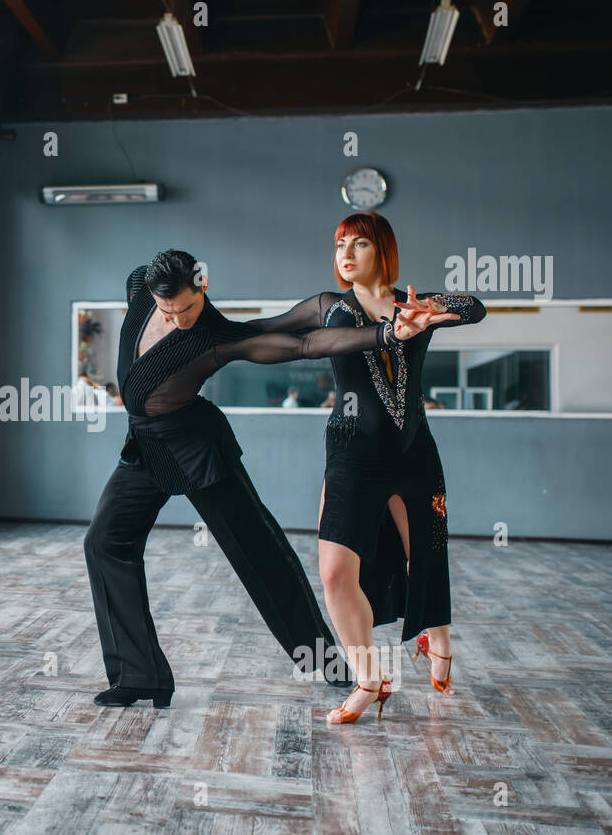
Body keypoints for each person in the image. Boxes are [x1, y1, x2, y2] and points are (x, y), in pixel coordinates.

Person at [83, 249, 460, 707]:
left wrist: (383, 334)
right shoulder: (143, 289)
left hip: (197, 449)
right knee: (104, 542)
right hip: (143, 448)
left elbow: (304, 344)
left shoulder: (215, 337)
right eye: (170, 310)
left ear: (203, 286)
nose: (180, 318)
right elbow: (138, 273)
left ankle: (329, 662)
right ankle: (139, 675)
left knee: (259, 553)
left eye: (187, 307)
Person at [244, 213, 486, 723]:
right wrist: (206, 333)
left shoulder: (413, 303)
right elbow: (265, 329)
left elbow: (476, 307)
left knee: (427, 555)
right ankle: (369, 679)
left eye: (358, 243)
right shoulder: (330, 307)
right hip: (353, 452)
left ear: (384, 249)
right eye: (338, 246)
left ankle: (436, 635)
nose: (345, 254)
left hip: (415, 451)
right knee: (334, 574)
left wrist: (433, 308)